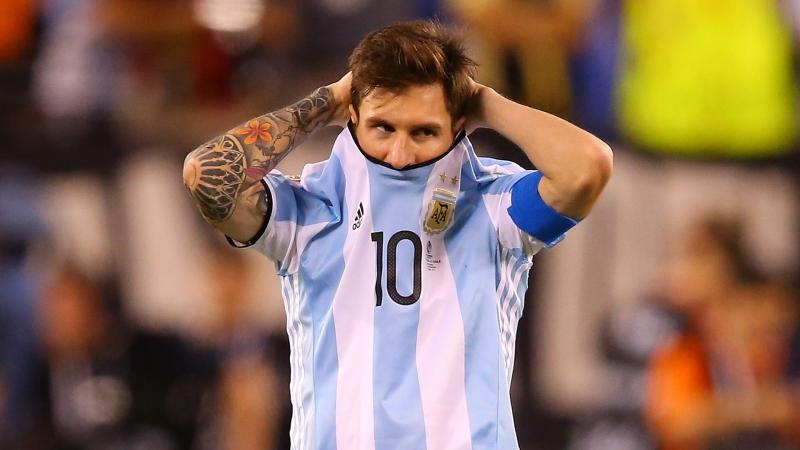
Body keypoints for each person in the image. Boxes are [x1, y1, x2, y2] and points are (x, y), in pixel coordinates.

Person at [182, 20, 612, 449]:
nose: (400, 155)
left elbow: (587, 168)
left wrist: (484, 100)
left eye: (423, 131)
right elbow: (207, 176)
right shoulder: (306, 208)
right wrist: (326, 100)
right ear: (352, 116)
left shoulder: (495, 205)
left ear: (459, 124)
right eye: (383, 128)